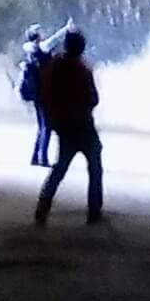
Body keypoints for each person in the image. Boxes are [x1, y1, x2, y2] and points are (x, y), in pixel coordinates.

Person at [34, 29, 103, 225]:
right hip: (83, 125)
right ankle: (94, 211)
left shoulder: (54, 66)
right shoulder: (82, 70)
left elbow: (44, 94)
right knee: (95, 167)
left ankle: (42, 209)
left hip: (64, 125)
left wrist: (54, 118)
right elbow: (93, 98)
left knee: (60, 167)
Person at [18, 20, 71, 168]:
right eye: (40, 32)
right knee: (46, 126)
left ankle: (36, 156)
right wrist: (66, 29)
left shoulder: (30, 51)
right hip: (44, 93)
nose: (43, 34)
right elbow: (54, 40)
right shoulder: (40, 48)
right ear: (36, 36)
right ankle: (42, 158)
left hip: (36, 93)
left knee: (42, 126)